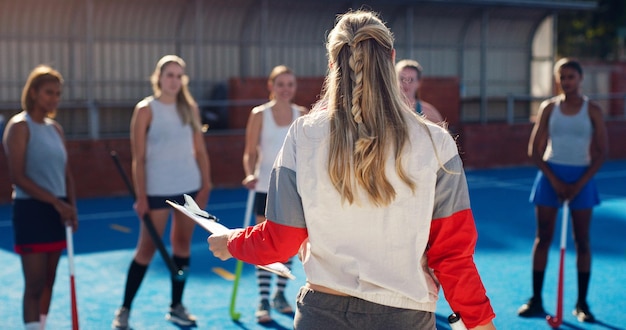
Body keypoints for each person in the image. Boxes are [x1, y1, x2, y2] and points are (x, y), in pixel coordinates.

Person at [209, 10, 496, 330]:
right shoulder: (436, 142)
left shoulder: (303, 134)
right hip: (404, 317)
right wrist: (481, 323)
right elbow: (452, 256)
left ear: (332, 63)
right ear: (392, 59)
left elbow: (281, 241)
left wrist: (231, 241)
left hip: (321, 314)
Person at [112, 55, 212, 329]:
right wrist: (141, 196)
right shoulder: (146, 109)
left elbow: (200, 151)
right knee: (146, 249)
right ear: (158, 78)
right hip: (157, 189)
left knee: (182, 245)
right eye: (169, 74)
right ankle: (125, 309)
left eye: (179, 75)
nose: (174, 80)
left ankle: (176, 306)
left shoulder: (190, 108)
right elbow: (138, 158)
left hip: (188, 187)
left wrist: (206, 184)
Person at [518, 58, 608, 322]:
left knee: (582, 241)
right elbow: (534, 151)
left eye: (571, 77)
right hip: (550, 176)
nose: (567, 81)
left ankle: (582, 304)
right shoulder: (549, 108)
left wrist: (579, 184)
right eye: (562, 77)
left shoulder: (592, 109)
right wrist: (556, 181)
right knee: (543, 237)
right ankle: (536, 299)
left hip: (582, 176)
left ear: (580, 79)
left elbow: (602, 152)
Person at [3, 65, 78, 330]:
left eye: (58, 94)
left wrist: (72, 208)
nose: (54, 98)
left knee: (49, 280)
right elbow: (18, 177)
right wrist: (58, 203)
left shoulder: (55, 129)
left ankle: (41, 326)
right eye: (49, 92)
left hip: (58, 212)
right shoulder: (19, 127)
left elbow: (66, 173)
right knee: (34, 284)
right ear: (33, 92)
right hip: (31, 210)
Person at [241, 64, 307, 323]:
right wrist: (249, 172)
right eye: (280, 84)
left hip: (291, 188)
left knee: (288, 245)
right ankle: (263, 299)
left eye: (290, 84)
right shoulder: (259, 114)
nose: (285, 89)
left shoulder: (301, 114)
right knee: (265, 242)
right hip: (264, 187)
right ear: (271, 86)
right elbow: (249, 151)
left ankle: (280, 294)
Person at [395, 59, 444, 123]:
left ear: (418, 83)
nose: (406, 83)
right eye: (402, 79)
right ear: (394, 80)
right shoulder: (385, 110)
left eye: (411, 80)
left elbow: (441, 132)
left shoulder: (429, 112)